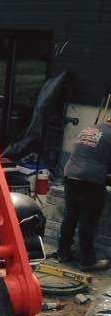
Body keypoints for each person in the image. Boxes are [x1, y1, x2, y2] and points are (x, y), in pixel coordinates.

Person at [56, 116, 111, 271]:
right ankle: (88, 261)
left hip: (71, 175)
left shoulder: (91, 128)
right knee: (88, 221)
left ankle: (63, 252)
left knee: (71, 216)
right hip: (90, 179)